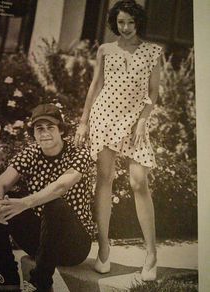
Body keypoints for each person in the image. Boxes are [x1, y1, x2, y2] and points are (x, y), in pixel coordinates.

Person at [75, 0, 162, 281]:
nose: (125, 28)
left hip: (135, 122)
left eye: (131, 23)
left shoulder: (151, 52)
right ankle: (103, 248)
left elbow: (153, 93)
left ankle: (151, 253)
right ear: (115, 22)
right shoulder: (105, 50)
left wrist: (142, 120)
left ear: (139, 23)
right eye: (121, 22)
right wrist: (84, 121)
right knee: (105, 178)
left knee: (138, 181)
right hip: (104, 118)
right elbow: (95, 85)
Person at [0, 103, 95, 292]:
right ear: (34, 133)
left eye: (50, 127)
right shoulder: (31, 153)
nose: (45, 133)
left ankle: (41, 283)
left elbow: (60, 187)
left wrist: (23, 203)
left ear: (61, 130)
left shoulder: (78, 151)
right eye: (39, 128)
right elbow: (0, 184)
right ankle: (8, 276)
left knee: (55, 204)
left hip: (74, 246)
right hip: (40, 242)